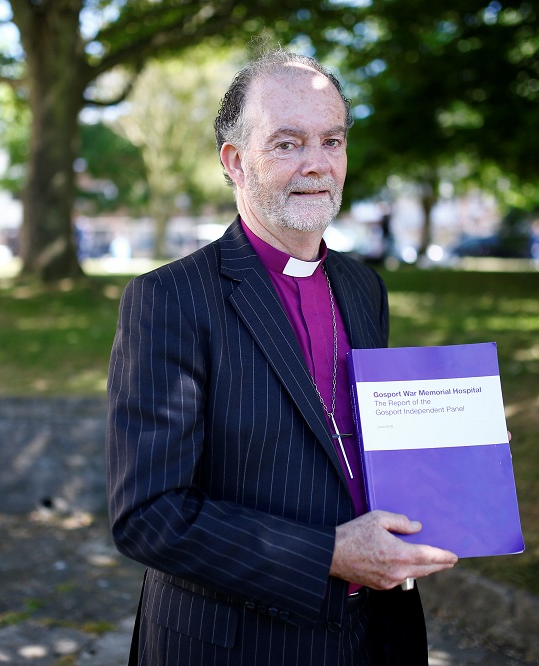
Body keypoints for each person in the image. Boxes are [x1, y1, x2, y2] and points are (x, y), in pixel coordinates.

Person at [106, 48, 458, 666]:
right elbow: (148, 514)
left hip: (377, 633)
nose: (317, 164)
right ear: (235, 162)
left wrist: (453, 449)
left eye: (332, 139)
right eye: (287, 143)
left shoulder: (362, 286)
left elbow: (359, 438)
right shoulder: (168, 299)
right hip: (236, 643)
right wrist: (327, 553)